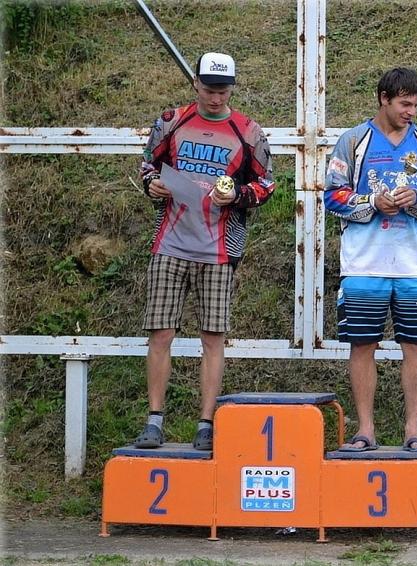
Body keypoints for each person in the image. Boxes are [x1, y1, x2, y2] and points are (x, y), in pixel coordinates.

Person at [133, 52, 275, 451]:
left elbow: (267, 184)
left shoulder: (248, 131)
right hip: (170, 244)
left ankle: (206, 423)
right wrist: (151, 184)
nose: (216, 98)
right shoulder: (171, 121)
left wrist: (238, 195)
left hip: (219, 250)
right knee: (160, 332)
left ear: (232, 88)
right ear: (196, 83)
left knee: (213, 337)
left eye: (223, 91)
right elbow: (147, 165)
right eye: (210, 89)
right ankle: (154, 420)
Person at [324, 67, 417, 452]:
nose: (411, 112)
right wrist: (371, 202)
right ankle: (365, 430)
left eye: (416, 105)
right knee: (363, 345)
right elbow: (332, 196)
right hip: (364, 263)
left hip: (416, 264)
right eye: (404, 104)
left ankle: (413, 431)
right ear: (383, 98)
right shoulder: (352, 141)